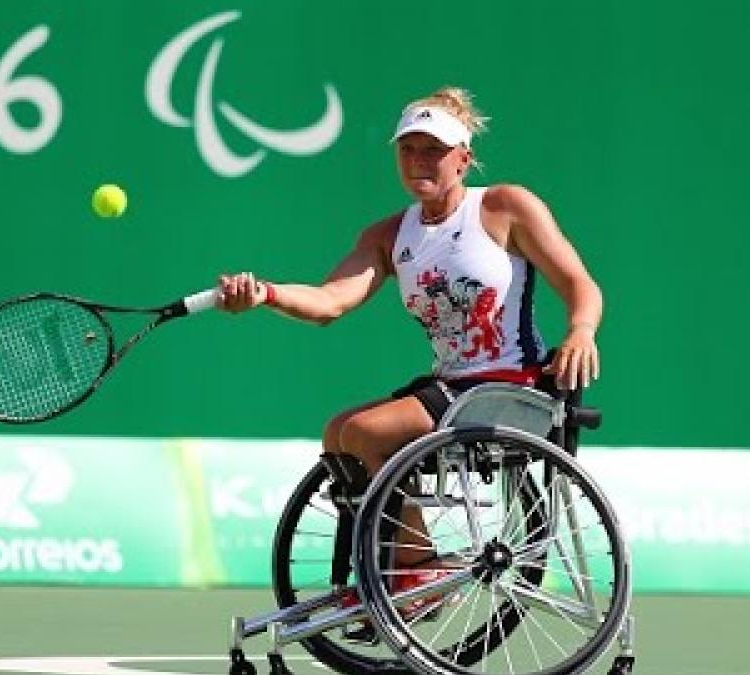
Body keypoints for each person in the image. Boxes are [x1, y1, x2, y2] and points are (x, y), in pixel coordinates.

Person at [217, 86, 602, 615]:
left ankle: (417, 570)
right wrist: (267, 294)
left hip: (513, 388)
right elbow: (331, 301)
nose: (419, 159)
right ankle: (389, 570)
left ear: (463, 158)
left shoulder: (504, 207)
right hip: (454, 390)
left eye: (434, 150)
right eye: (409, 148)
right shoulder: (388, 235)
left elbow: (580, 283)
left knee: (367, 431)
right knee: (339, 433)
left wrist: (581, 330)